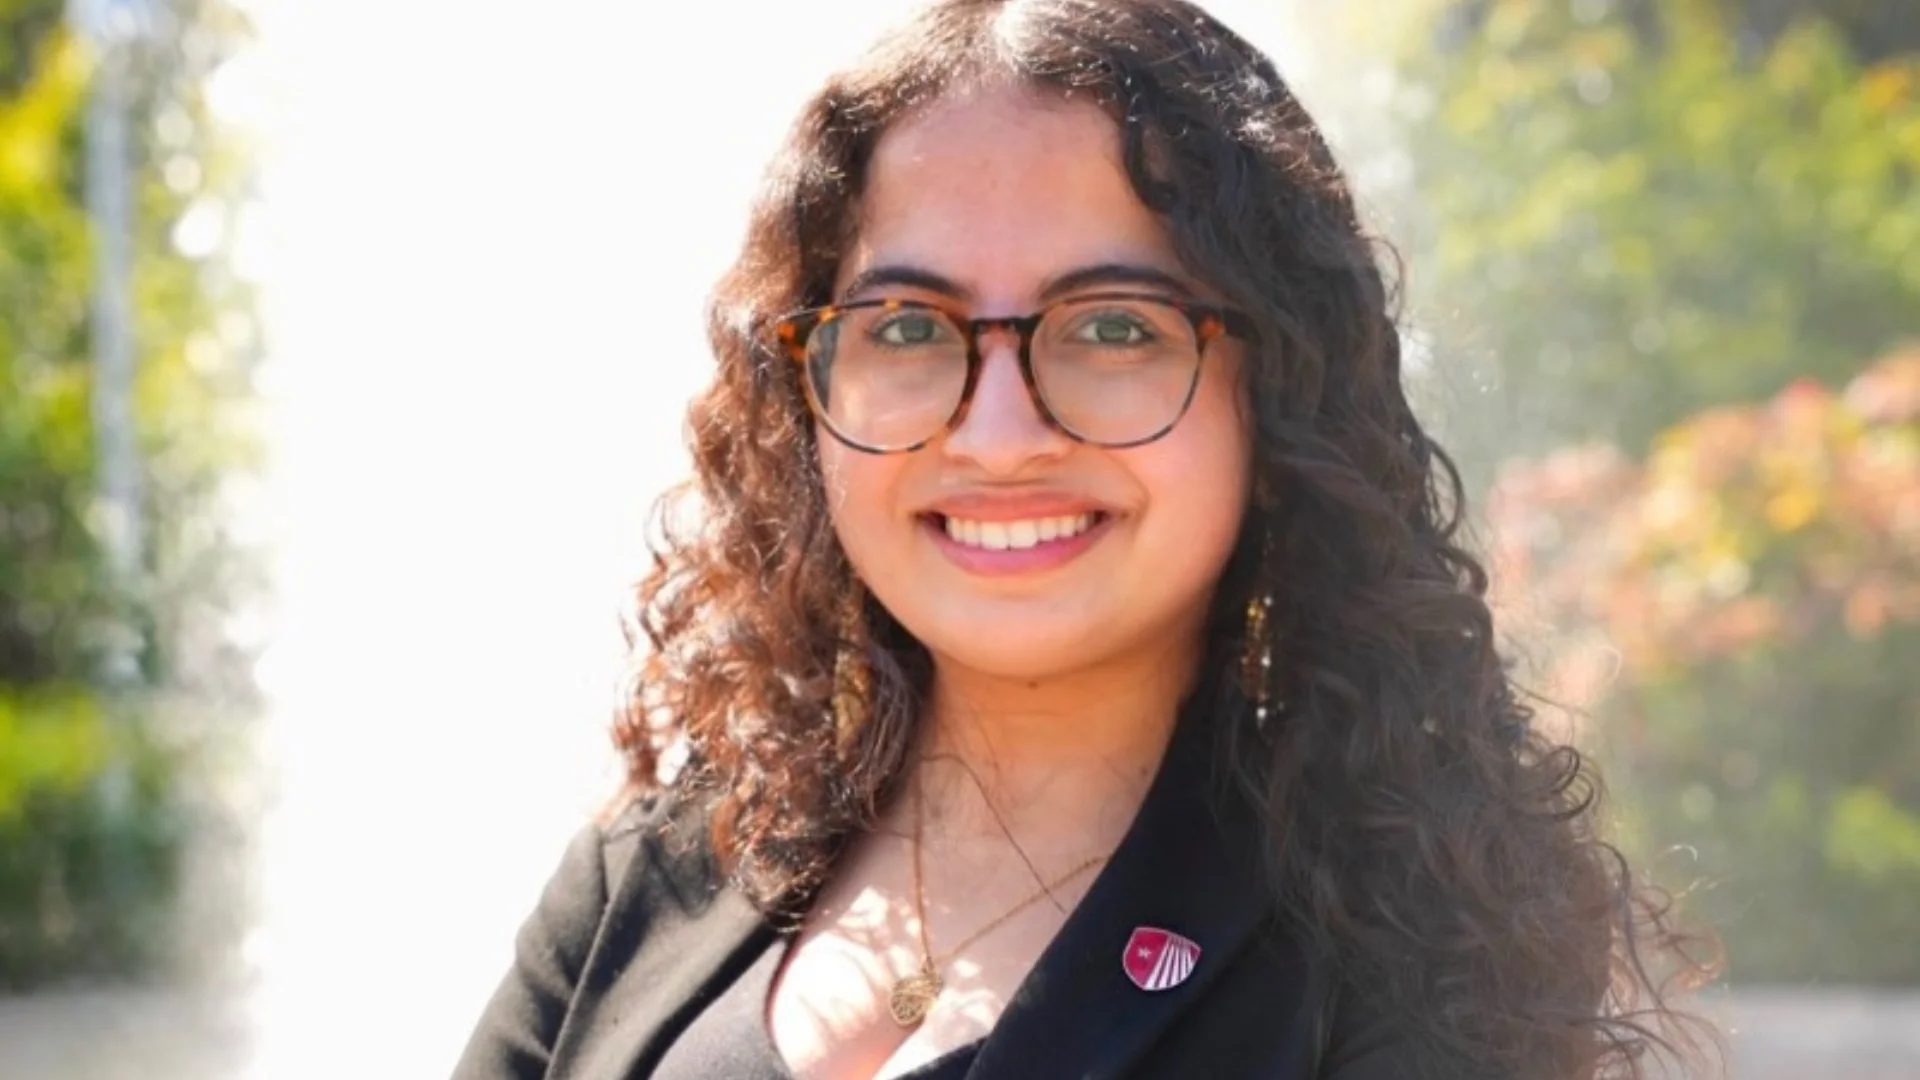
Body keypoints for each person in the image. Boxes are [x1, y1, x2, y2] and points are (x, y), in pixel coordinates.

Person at [451, 1, 1717, 1077]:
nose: (997, 435)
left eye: (1114, 327)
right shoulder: (652, 874)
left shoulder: (1402, 954)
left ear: (1273, 401)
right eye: (902, 328)